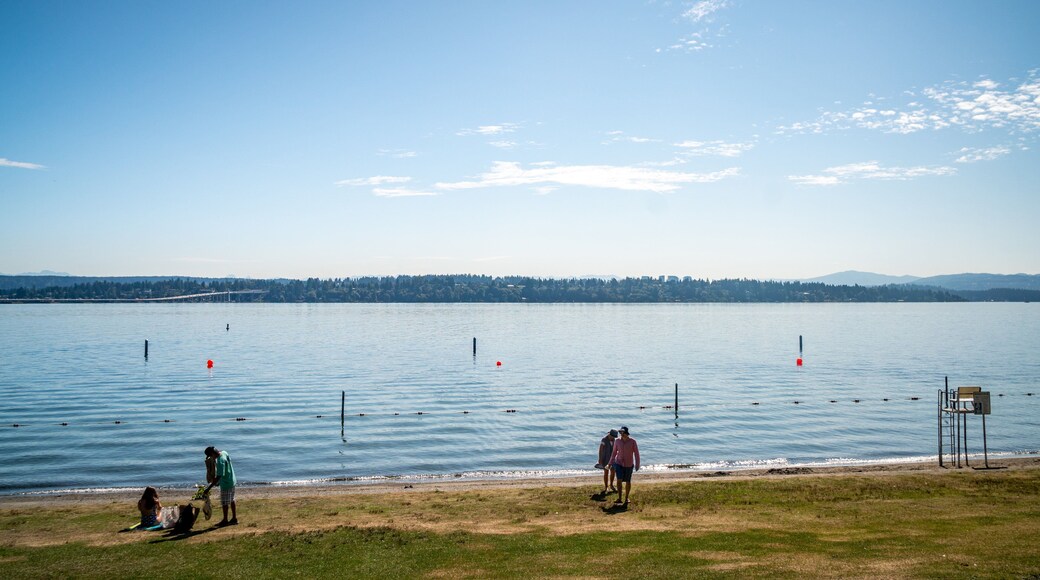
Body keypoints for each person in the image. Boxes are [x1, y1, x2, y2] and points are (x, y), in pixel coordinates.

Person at [203, 446, 237, 526]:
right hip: (232, 480)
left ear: (212, 454)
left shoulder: (220, 462)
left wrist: (208, 488)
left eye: (211, 456)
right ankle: (234, 518)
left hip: (226, 483)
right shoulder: (224, 452)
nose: (211, 458)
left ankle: (225, 520)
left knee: (225, 503)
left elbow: (219, 477)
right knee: (232, 499)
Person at [607, 426, 640, 505]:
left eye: (623, 432)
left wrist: (637, 464)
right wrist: (610, 463)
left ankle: (626, 498)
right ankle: (619, 498)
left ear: (626, 433)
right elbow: (614, 453)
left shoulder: (632, 441)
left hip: (629, 464)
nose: (621, 434)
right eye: (620, 432)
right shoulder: (617, 441)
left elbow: (636, 454)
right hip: (619, 463)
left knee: (628, 481)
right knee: (619, 480)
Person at [597, 429, 618, 494]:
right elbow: (600, 450)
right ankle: (606, 487)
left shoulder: (614, 440)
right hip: (605, 459)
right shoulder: (604, 440)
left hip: (613, 459)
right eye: (613, 436)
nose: (613, 438)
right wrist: (600, 459)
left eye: (614, 437)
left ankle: (611, 485)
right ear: (609, 434)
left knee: (613, 472)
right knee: (606, 472)